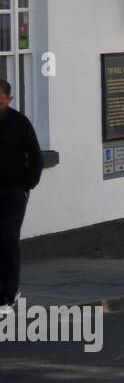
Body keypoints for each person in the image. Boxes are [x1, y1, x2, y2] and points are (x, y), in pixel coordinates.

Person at [0, 79, 42, 315]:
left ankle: (9, 291)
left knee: (8, 239)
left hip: (14, 191)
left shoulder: (20, 123)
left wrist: (28, 185)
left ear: (9, 99)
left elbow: (35, 156)